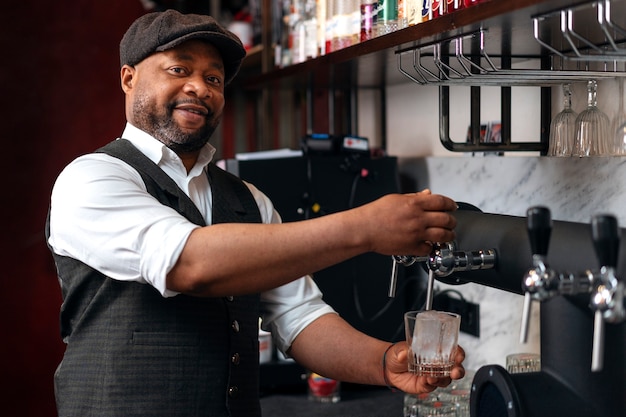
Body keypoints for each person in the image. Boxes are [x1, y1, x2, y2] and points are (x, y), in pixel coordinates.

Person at [46, 9, 465, 417]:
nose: (200, 87)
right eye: (179, 70)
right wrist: (366, 228)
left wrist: (385, 362)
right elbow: (190, 263)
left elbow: (299, 317)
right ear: (128, 77)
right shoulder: (92, 179)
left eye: (214, 78)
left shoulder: (248, 200)